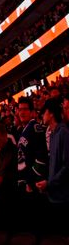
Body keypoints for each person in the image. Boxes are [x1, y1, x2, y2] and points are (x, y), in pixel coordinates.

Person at [35, 98, 69, 230]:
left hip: (63, 198)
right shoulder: (54, 134)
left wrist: (49, 183)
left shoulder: (63, 133)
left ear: (51, 113)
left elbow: (67, 166)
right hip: (54, 195)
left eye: (44, 113)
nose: (42, 116)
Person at [16, 97, 49, 230]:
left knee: (38, 224)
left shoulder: (35, 128)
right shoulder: (23, 129)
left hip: (34, 185)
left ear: (32, 112)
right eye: (20, 109)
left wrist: (31, 181)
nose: (22, 112)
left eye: (25, 109)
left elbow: (41, 158)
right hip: (26, 183)